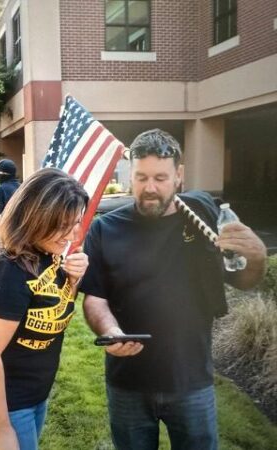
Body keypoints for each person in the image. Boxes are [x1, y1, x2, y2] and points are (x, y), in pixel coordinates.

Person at [80, 129, 267, 450]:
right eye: (140, 177)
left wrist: (256, 258)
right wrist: (110, 330)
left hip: (191, 381)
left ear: (179, 175)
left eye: (160, 178)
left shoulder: (202, 218)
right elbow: (95, 298)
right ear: (131, 175)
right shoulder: (105, 228)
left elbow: (242, 279)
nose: (149, 188)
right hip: (127, 383)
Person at [0, 168, 90, 450]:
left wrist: (74, 280)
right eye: (63, 223)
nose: (72, 233)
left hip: (32, 397)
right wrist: (2, 431)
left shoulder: (47, 255)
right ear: (36, 218)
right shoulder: (8, 270)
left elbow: (54, 309)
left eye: (76, 222)